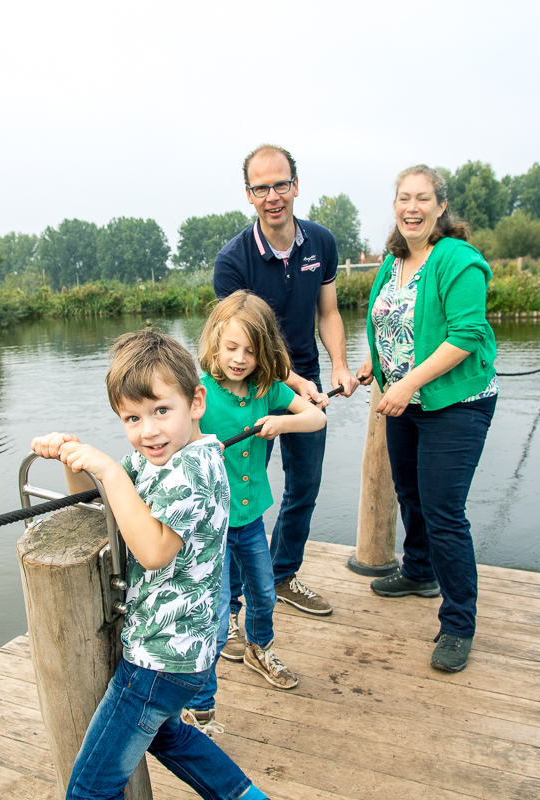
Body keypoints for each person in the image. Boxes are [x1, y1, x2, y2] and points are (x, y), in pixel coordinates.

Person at [30, 329, 268, 800]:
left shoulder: (191, 468)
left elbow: (155, 551)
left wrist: (111, 470)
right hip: (183, 657)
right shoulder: (162, 459)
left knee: (89, 790)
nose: (148, 430)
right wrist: (74, 456)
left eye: (162, 410)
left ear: (196, 402)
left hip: (159, 662)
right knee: (167, 736)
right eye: (132, 418)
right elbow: (96, 502)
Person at [355, 165, 498, 674]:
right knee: (410, 493)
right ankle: (418, 571)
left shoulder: (458, 260)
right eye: (402, 198)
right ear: (395, 207)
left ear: (440, 207)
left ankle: (458, 624)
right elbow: (389, 321)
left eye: (422, 198)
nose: (411, 207)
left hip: (456, 402)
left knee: (443, 511)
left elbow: (466, 335)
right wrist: (373, 362)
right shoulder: (392, 261)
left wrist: (409, 382)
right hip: (404, 402)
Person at [214, 143, 358, 620]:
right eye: (262, 188)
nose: (273, 195)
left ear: (295, 186)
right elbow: (240, 342)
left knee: (305, 486)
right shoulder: (232, 262)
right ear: (249, 196)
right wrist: (291, 382)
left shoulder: (322, 242)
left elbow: (330, 311)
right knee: (240, 495)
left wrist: (337, 365)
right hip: (253, 383)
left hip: (308, 380)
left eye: (281, 184)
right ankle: (232, 604)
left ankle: (282, 574)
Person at [181, 290, 326, 732]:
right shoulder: (199, 391)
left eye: (250, 350)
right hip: (211, 527)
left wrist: (283, 421)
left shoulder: (267, 390)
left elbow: (316, 417)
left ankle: (259, 649)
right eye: (230, 348)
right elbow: (170, 425)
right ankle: (201, 702)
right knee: (218, 612)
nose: (239, 359)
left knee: (264, 595)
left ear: (264, 351)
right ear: (214, 343)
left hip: (250, 522)